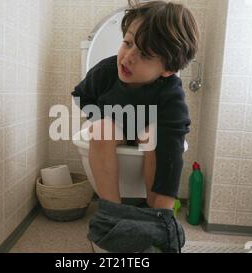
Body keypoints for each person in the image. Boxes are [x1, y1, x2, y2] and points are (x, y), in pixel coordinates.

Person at [71, 0, 199, 211]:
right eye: (128, 43)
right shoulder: (107, 70)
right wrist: (102, 118)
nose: (128, 58)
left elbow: (173, 146)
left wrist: (165, 206)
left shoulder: (171, 91)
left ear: (168, 68)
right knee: (102, 130)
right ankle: (112, 210)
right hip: (116, 127)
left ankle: (154, 212)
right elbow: (81, 94)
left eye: (145, 54)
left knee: (156, 134)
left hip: (148, 133)